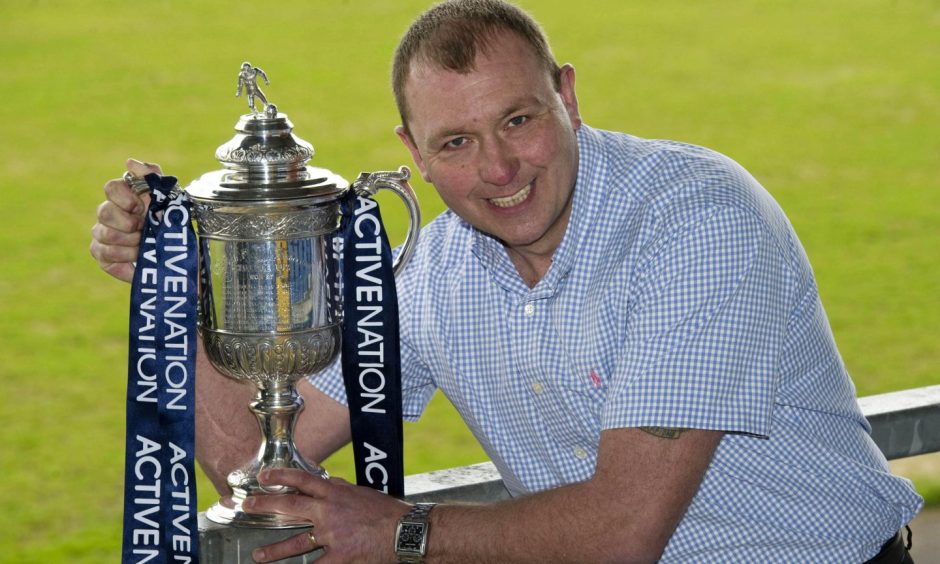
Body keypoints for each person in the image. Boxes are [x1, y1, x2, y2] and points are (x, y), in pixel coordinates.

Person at [90, 1, 923, 562]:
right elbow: (252, 460)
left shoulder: (695, 216)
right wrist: (168, 288)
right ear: (413, 156)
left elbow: (625, 529)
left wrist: (400, 530)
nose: (497, 169)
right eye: (454, 143)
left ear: (568, 97)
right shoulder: (435, 271)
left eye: (517, 120)